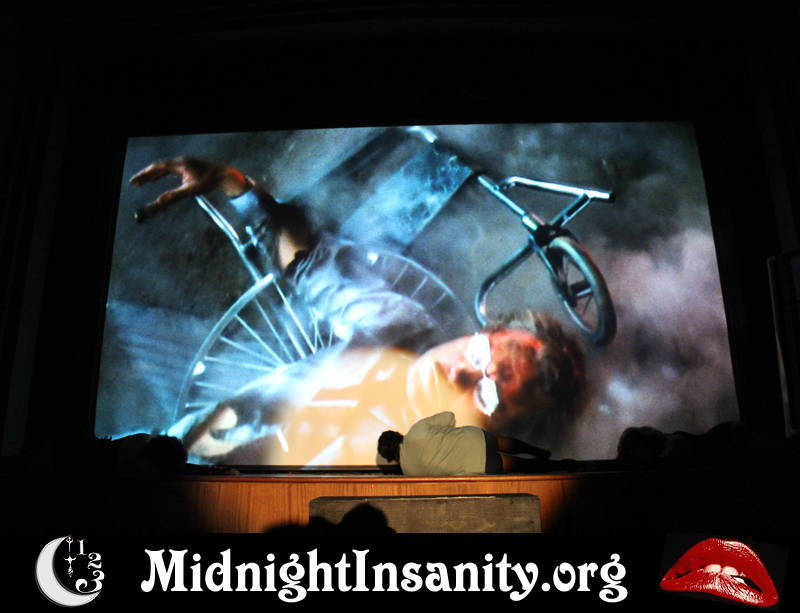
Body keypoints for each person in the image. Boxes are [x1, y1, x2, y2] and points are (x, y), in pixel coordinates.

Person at [131, 157, 586, 466]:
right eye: (482, 354)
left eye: (490, 396)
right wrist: (235, 184)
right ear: (477, 334)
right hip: (157, 451)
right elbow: (307, 264)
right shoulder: (399, 327)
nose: (462, 373)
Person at [377, 411, 575, 476]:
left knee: (520, 465)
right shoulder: (415, 430)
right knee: (503, 443)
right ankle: (538, 450)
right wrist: (445, 433)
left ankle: (560, 466)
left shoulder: (409, 471)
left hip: (475, 465)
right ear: (397, 435)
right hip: (473, 438)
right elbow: (449, 416)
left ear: (390, 457)